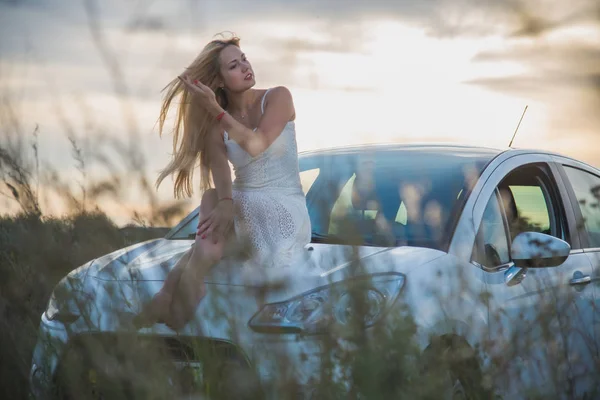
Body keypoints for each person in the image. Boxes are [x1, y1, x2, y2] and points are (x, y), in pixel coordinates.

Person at [134, 35, 311, 330]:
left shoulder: (279, 97)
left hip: (282, 206)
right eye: (234, 65)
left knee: (213, 209)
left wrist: (217, 110)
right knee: (214, 198)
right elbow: (221, 172)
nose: (245, 67)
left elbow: (255, 145)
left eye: (244, 59)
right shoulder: (214, 125)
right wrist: (226, 203)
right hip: (240, 203)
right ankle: (184, 284)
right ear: (218, 80)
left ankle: (171, 293)